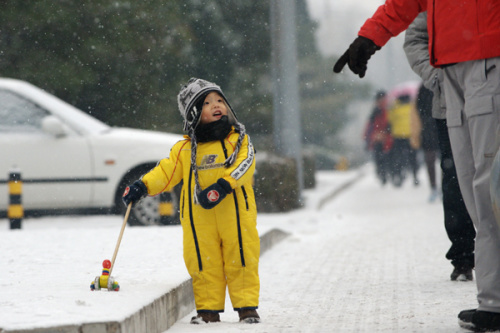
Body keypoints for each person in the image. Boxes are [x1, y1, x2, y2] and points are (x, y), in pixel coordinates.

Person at [333, 2, 500, 331]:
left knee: (489, 186)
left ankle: (494, 301)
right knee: (472, 186)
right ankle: (492, 302)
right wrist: (369, 37)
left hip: (488, 62)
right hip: (451, 73)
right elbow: (403, 5)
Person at [122, 78, 261, 324]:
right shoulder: (185, 149)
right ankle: (208, 310)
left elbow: (246, 164)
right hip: (199, 218)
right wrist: (142, 186)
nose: (217, 105)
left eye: (220, 100)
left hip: (236, 214)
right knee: (202, 261)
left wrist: (223, 185)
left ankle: (246, 307)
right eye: (207, 103)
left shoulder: (238, 139)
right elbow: (165, 173)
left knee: (241, 256)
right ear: (194, 114)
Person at [403, 12, 476, 282]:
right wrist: (437, 77)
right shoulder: (437, 7)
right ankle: (463, 254)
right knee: (456, 178)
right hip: (450, 106)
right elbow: (414, 38)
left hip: (493, 97)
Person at [386, 94, 420, 187]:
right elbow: (416, 120)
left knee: (398, 157)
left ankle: (398, 175)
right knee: (413, 156)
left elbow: (390, 120)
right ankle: (415, 176)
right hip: (410, 135)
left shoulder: (394, 107)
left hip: (398, 135)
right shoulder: (413, 106)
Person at [414, 83, 440, 202]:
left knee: (433, 160)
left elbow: (418, 108)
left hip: (430, 127)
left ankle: (435, 187)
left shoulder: (424, 87)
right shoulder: (428, 86)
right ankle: (437, 187)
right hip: (438, 126)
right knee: (444, 160)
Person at [363, 90, 393, 185]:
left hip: (386, 138)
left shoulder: (388, 110)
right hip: (377, 138)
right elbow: (370, 126)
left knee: (385, 157)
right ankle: (381, 173)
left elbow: (390, 123)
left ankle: (384, 173)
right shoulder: (376, 111)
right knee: (379, 157)